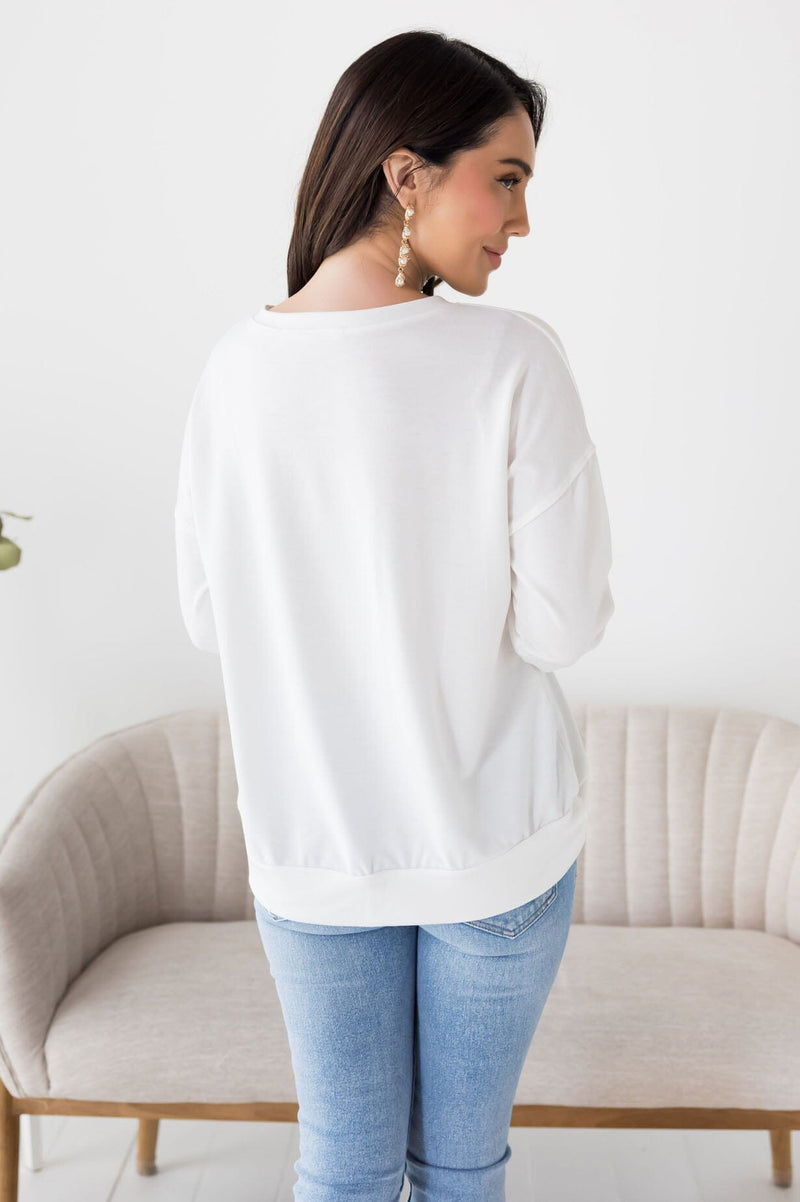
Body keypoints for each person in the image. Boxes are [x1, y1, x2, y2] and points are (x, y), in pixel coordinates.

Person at [174, 29, 615, 1202]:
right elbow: (563, 628)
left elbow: (212, 618)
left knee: (342, 1168)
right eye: (505, 178)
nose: (521, 220)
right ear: (405, 173)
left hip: (313, 852)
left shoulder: (232, 371)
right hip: (494, 850)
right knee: (460, 1169)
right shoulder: (512, 360)